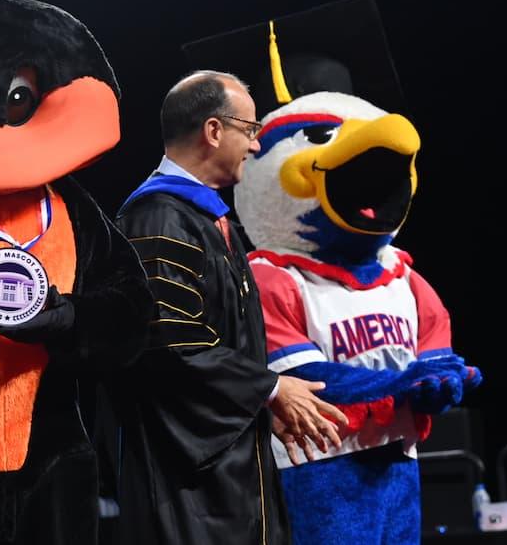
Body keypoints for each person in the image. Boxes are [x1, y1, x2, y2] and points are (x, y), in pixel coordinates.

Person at [103, 70, 350, 544]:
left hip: (230, 471)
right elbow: (171, 343)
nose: (255, 146)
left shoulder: (211, 222)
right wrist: (271, 388)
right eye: (250, 131)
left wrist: (257, 404)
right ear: (214, 131)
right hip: (185, 484)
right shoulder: (156, 218)